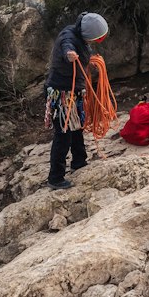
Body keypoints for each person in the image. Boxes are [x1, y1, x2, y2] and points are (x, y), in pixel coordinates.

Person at [45, 11, 109, 189]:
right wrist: (69, 54)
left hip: (74, 92)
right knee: (63, 135)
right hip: (61, 94)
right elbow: (66, 46)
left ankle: (79, 161)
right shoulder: (69, 38)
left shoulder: (80, 34)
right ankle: (55, 178)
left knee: (76, 128)